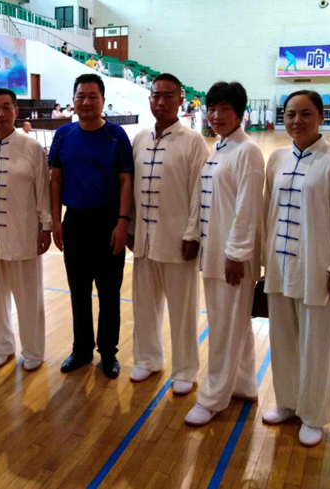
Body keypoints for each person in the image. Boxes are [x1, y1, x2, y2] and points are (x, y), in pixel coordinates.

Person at [261, 90, 330, 447]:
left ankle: (314, 415)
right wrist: (264, 261)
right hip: (279, 264)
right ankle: (288, 402)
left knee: (317, 345)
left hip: (318, 268)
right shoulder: (277, 159)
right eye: (290, 114)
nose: (297, 121)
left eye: (305, 114)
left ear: (321, 117)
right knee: (283, 339)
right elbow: (267, 211)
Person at [185, 81, 264, 426]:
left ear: (240, 113)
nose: (216, 115)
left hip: (232, 260)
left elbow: (248, 207)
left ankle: (212, 398)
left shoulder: (247, 151)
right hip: (214, 252)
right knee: (233, 325)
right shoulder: (219, 148)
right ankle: (244, 384)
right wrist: (193, 234)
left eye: (225, 109)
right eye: (212, 109)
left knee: (224, 330)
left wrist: (237, 254)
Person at [128, 73, 209, 395]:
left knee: (183, 310)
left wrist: (193, 234)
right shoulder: (139, 139)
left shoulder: (193, 141)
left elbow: (199, 193)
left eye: (168, 96)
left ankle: (186, 369)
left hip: (178, 241)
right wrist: (131, 227)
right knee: (144, 305)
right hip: (144, 240)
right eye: (155, 95)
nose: (160, 102)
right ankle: (147, 359)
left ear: (180, 99)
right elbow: (130, 189)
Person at [49, 73, 134, 379]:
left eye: (92, 96)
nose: (86, 102)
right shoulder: (63, 135)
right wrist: (55, 221)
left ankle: (108, 353)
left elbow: (126, 181)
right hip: (75, 222)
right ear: (73, 101)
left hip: (109, 222)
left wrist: (122, 222)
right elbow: (56, 180)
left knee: (109, 293)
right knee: (79, 292)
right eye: (80, 96)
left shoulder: (116, 136)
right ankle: (81, 349)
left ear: (102, 100)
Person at [0, 88, 51, 372]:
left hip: (23, 233)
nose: (0, 113)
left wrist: (45, 226)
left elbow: (43, 191)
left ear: (16, 111)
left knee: (29, 297)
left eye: (6, 107)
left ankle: (33, 350)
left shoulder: (32, 148)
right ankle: (0, 347)